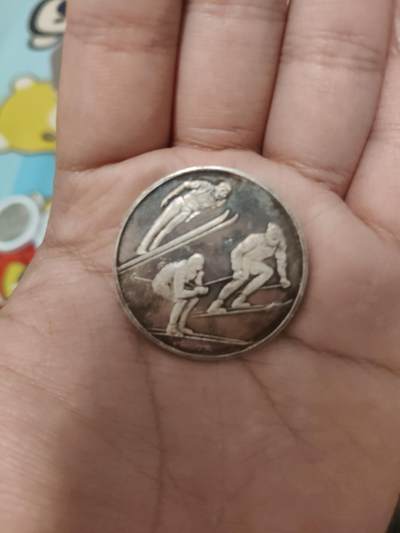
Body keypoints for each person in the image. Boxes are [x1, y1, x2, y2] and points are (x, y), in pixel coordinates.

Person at [2, 1, 400, 532]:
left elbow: (258, 261)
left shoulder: (242, 237)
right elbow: (181, 245)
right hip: (179, 254)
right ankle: (205, 304)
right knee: (185, 281)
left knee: (217, 291)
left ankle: (216, 305)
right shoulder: (196, 232)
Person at [207, 223, 290, 313]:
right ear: (268, 231)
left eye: (277, 233)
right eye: (273, 231)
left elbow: (281, 263)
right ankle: (215, 306)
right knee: (241, 278)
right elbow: (237, 252)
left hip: (254, 263)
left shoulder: (279, 245)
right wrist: (237, 269)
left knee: (268, 271)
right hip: (243, 259)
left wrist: (283, 278)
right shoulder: (255, 238)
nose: (274, 235)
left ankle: (239, 300)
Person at [136, 180, 231, 254]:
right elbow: (185, 185)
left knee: (167, 229)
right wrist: (169, 196)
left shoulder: (213, 202)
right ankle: (142, 247)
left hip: (187, 212)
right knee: (158, 225)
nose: (223, 195)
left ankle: (153, 249)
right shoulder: (205, 185)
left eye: (225, 194)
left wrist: (191, 217)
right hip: (180, 203)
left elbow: (200, 211)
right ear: (218, 187)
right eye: (223, 191)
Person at [152, 253, 208, 336]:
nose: (201, 268)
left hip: (171, 283)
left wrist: (199, 280)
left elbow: (196, 285)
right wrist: (196, 291)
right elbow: (179, 293)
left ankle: (181, 326)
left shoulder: (190, 267)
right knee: (181, 301)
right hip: (161, 285)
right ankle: (171, 328)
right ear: (193, 264)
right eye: (199, 265)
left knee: (194, 299)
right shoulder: (181, 269)